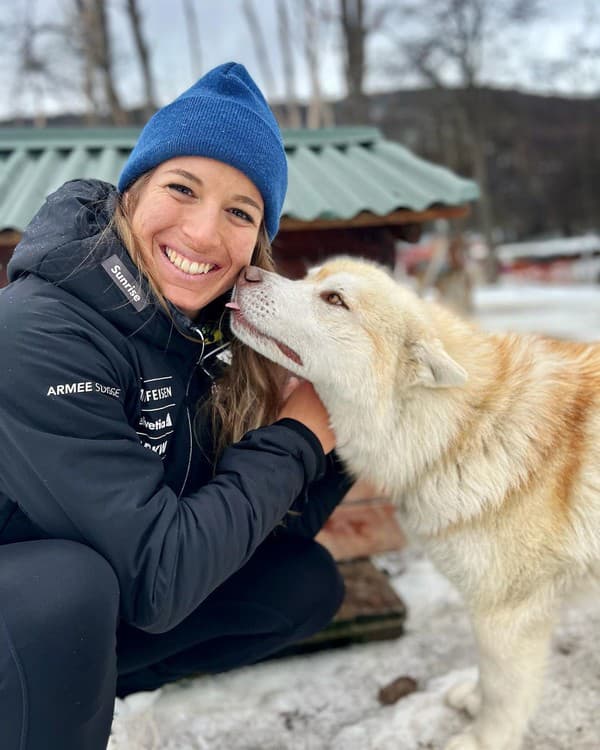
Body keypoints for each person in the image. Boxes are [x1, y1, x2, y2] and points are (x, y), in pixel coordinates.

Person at [0, 62, 352, 750]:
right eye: (182, 188)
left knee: (299, 584)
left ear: (258, 241)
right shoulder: (36, 331)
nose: (201, 233)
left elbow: (261, 534)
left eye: (239, 212)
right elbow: (161, 579)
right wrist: (299, 436)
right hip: (35, 601)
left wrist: (345, 422)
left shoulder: (198, 338)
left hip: (92, 598)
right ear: (132, 194)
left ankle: (74, 690)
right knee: (66, 591)